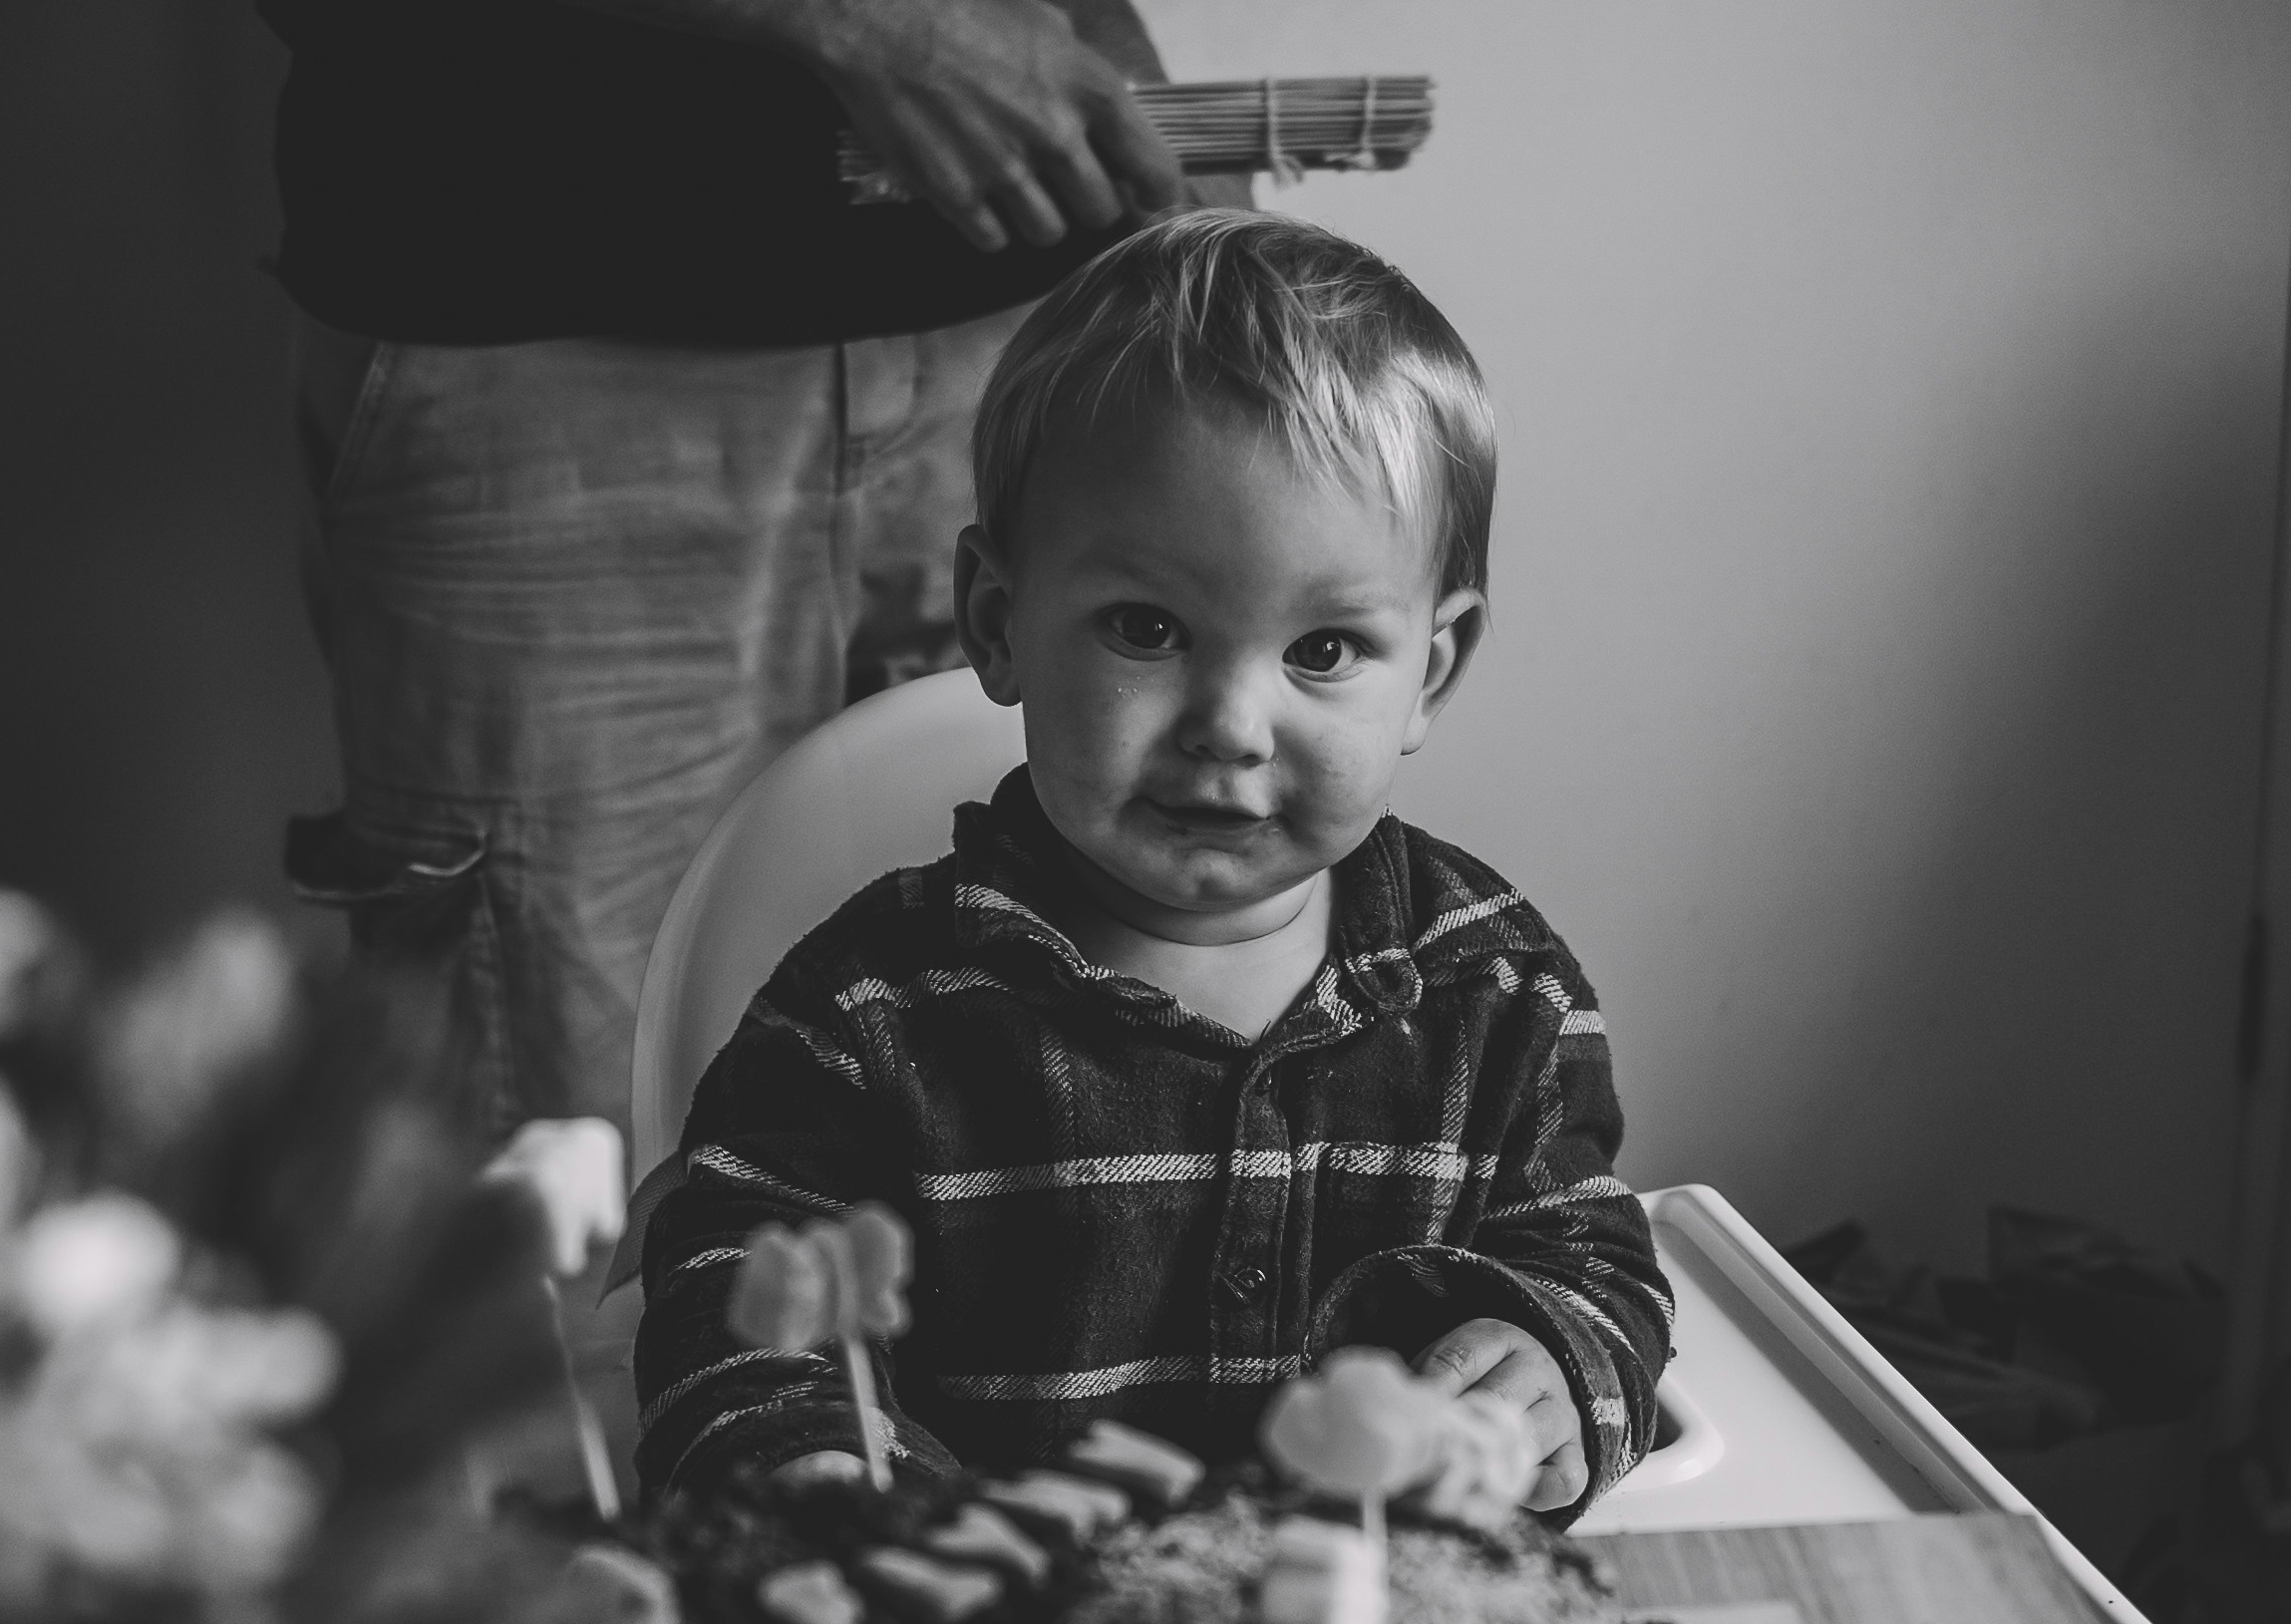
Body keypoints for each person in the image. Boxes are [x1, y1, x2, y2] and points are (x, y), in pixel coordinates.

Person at [61, 0, 1186, 1129]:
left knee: (1032, 1168)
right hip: (548, 342)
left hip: (997, 340)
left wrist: (1089, 20)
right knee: (585, 1215)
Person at [633, 213, 1668, 1515]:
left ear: (1431, 674)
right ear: (999, 625)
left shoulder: (1502, 996)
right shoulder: (864, 1023)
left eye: (1326, 650)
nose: (1231, 727)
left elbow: (1594, 1258)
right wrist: (828, 1484)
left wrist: (1554, 1369)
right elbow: (728, 1313)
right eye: (1148, 628)